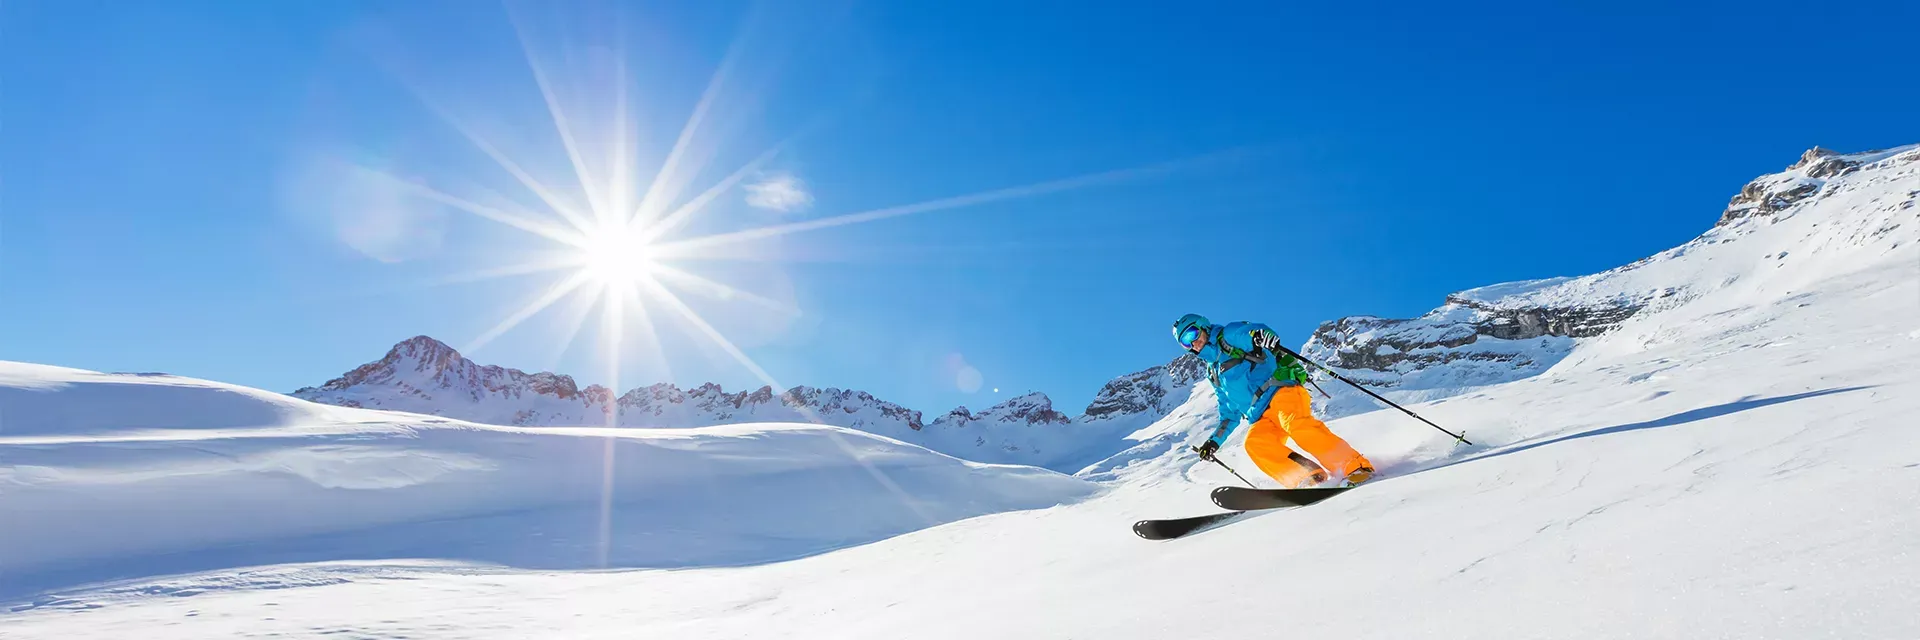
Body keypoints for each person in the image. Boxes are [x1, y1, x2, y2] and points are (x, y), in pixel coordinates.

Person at [1172, 313, 1374, 488]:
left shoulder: (1229, 336)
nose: (1193, 343)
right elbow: (1229, 414)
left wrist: (1260, 336)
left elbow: (1252, 331)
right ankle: (1309, 478)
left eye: (1192, 334)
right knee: (1256, 444)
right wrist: (1213, 442)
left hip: (1281, 392)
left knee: (1297, 426)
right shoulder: (1213, 372)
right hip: (1260, 415)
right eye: (1185, 343)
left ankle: (1355, 466)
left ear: (1203, 326)